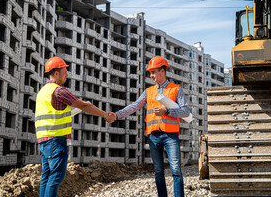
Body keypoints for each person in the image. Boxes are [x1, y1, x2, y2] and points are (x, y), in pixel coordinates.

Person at [110, 56, 190, 197]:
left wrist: (167, 111)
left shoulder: (176, 90)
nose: (151, 76)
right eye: (150, 73)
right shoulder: (149, 91)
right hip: (154, 136)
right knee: (158, 171)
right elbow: (134, 106)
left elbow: (185, 111)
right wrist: (117, 115)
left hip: (171, 135)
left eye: (153, 72)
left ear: (162, 71)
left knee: (176, 170)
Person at [35, 57, 114, 197]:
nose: (67, 74)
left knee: (46, 176)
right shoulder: (59, 91)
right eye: (64, 71)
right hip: (55, 140)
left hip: (43, 141)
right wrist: (105, 115)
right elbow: (84, 105)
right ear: (56, 73)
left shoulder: (42, 92)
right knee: (55, 177)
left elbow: (51, 114)